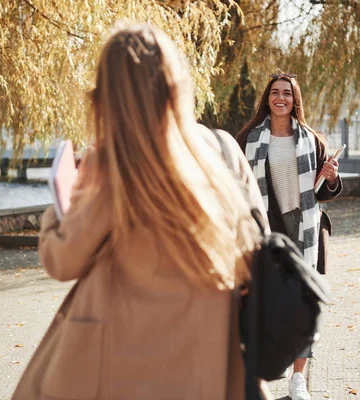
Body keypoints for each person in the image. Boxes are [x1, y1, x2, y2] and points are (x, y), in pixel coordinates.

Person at [22, 24, 272, 399]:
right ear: (176, 88)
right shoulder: (218, 154)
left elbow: (61, 259)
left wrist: (62, 207)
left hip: (123, 367)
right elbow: (257, 248)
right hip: (205, 367)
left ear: (108, 94)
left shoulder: (112, 164)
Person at [235, 73, 342, 400]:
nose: (281, 98)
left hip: (303, 232)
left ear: (295, 100)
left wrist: (331, 177)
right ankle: (256, 376)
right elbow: (237, 185)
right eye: (275, 93)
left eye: (287, 93)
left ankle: (299, 379)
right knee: (259, 302)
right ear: (268, 98)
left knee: (304, 304)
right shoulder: (248, 139)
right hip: (264, 230)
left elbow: (324, 192)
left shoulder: (312, 140)